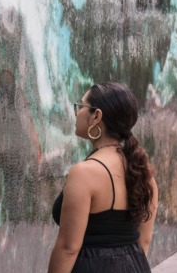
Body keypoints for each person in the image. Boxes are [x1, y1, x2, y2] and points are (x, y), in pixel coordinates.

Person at [47, 82, 158, 273]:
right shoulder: (143, 173)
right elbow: (144, 241)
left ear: (96, 116)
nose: (77, 113)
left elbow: (68, 248)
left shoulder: (84, 173)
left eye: (81, 106)